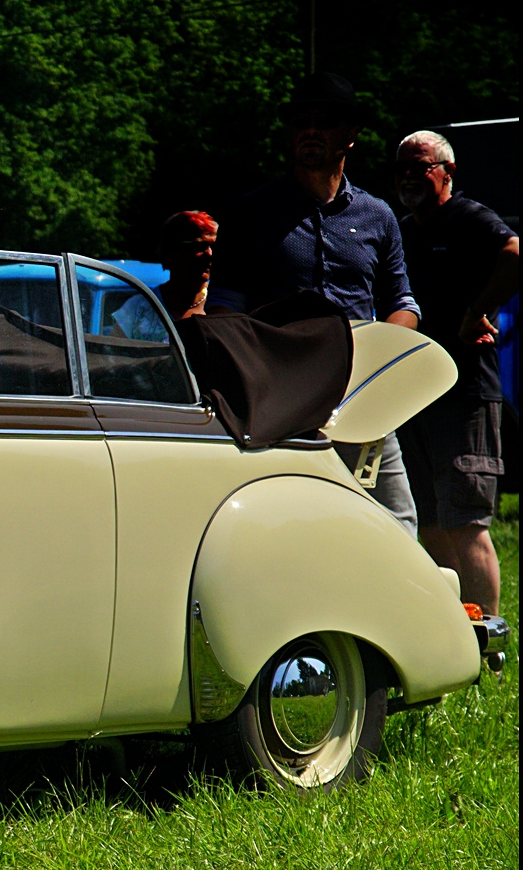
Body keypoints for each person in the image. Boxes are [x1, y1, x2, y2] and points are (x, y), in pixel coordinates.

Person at [207, 72, 421, 535]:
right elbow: (223, 313)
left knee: (397, 527)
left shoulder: (378, 215)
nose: (310, 129)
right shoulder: (250, 214)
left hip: (362, 400)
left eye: (324, 120)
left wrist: (382, 364)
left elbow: (402, 304)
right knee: (287, 527)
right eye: (299, 120)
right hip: (278, 402)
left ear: (351, 134)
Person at [394, 129, 519, 617]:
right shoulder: (403, 230)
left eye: (420, 166)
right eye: (401, 168)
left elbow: (514, 254)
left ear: (447, 172)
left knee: (466, 522)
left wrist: (477, 310)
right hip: (412, 395)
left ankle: (488, 645)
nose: (409, 176)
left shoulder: (466, 217)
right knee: (427, 522)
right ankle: (449, 635)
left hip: (465, 392)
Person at [113, 210, 218, 341]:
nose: (209, 254)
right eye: (199, 247)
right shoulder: (139, 307)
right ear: (170, 252)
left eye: (213, 247)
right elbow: (112, 356)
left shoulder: (219, 308)